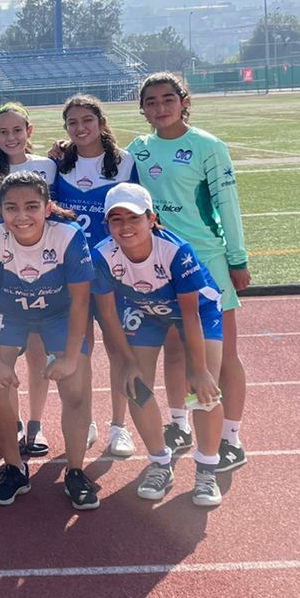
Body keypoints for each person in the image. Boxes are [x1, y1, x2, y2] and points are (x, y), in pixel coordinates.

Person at [129, 73, 250, 473]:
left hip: (207, 262)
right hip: (160, 265)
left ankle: (230, 437)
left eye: (168, 99)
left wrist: (237, 258)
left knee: (222, 356)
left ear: (184, 101)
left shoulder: (208, 146)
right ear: (142, 107)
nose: (160, 108)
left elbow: (226, 203)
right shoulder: (138, 150)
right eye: (151, 101)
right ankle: (178, 424)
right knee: (176, 350)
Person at [90, 183, 226, 507]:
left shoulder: (176, 252)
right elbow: (108, 316)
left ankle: (207, 470)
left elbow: (190, 315)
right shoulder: (102, 255)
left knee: (203, 391)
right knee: (134, 385)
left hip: (196, 312)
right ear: (107, 225)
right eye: (116, 219)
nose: (125, 227)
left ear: (151, 219)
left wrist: (200, 369)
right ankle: (159, 462)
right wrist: (126, 360)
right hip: (143, 309)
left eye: (134, 218)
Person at [0, 170, 98, 512]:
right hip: (9, 313)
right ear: (1, 209)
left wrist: (71, 357)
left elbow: (81, 302)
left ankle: (75, 471)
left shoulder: (68, 236)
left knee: (76, 386)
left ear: (47, 207)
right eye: (11, 207)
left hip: (59, 314)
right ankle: (14, 468)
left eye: (31, 206)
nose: (22, 215)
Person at [51, 93, 138, 460]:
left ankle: (119, 426)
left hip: (114, 269)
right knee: (78, 348)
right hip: (72, 271)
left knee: (120, 348)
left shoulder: (124, 163)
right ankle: (83, 418)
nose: (80, 127)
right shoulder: (59, 164)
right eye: (73, 122)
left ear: (101, 123)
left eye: (87, 120)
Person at [0, 102, 58, 461]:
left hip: (41, 271)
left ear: (29, 130)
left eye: (17, 130)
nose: (11, 137)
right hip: (0, 271)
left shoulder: (48, 166)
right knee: (1, 356)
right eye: (3, 132)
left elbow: (54, 213)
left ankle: (36, 423)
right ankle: (14, 424)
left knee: (38, 354)